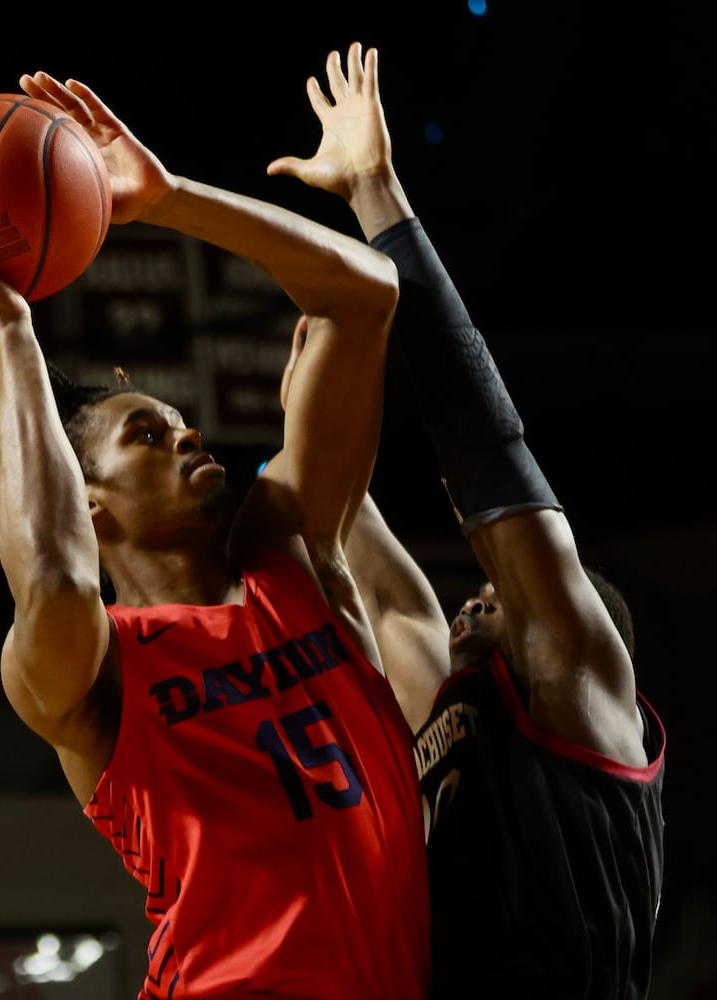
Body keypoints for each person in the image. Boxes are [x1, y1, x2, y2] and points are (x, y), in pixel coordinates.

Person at [0, 69, 429, 999]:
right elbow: (56, 583)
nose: (188, 432)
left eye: (180, 421)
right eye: (146, 434)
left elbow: (364, 296)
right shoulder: (89, 674)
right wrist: (8, 335)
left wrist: (169, 199)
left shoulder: (294, 560)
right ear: (89, 504)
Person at [267, 43, 667, 998]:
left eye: (492, 595)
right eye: (481, 594)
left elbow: (486, 451)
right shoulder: (466, 705)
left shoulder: (580, 690)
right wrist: (304, 426)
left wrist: (377, 201)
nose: (472, 597)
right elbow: (381, 586)